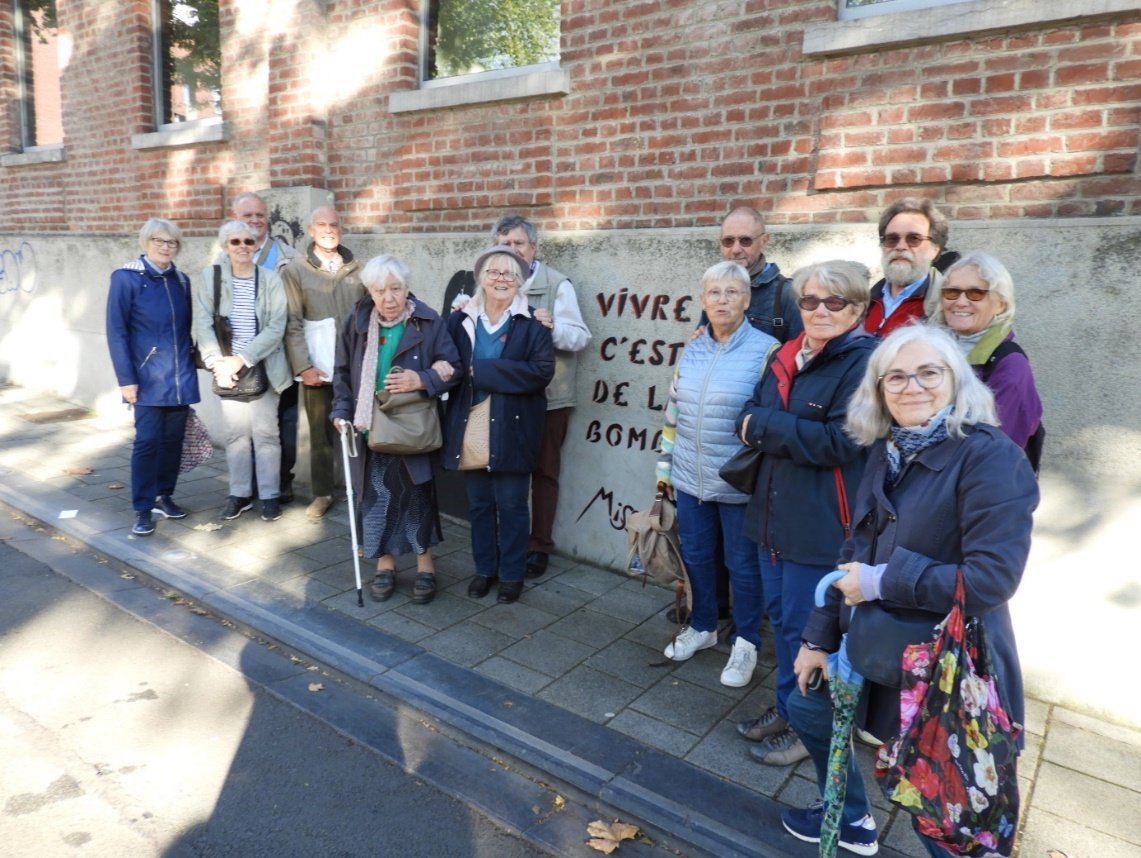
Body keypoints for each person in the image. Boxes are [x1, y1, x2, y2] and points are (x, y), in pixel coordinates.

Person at [786, 324, 1039, 856]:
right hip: (882, 648)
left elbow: (991, 579)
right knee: (805, 704)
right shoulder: (887, 450)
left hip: (951, 667)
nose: (911, 386)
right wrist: (817, 638)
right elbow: (854, 552)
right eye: (894, 376)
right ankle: (853, 820)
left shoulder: (991, 458)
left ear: (956, 380)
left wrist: (881, 581)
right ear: (878, 390)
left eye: (928, 372)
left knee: (946, 815)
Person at [734, 260, 877, 767]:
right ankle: (787, 708)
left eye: (834, 301)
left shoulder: (864, 362)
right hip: (772, 513)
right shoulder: (788, 353)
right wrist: (778, 426)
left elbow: (842, 441)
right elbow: (744, 415)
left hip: (821, 524)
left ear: (857, 308)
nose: (819, 310)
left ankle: (808, 728)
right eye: (810, 300)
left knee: (811, 631)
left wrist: (769, 426)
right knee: (783, 621)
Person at [449, 215, 592, 580]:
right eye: (504, 244)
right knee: (488, 490)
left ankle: (537, 546)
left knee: (540, 474)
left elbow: (579, 337)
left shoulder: (556, 284)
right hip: (488, 408)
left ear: (533, 248)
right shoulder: (479, 298)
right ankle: (494, 559)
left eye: (518, 245)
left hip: (546, 398)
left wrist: (548, 325)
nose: (511, 252)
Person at [655, 262, 777, 686]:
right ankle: (703, 626)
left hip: (738, 482)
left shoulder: (767, 350)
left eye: (731, 292)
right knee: (698, 557)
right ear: (703, 300)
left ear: (746, 299)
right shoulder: (692, 348)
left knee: (742, 566)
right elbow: (672, 414)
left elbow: (768, 418)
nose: (722, 300)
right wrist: (663, 471)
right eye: (714, 293)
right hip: (690, 477)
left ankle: (746, 642)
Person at [331, 255, 461, 605]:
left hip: (411, 429)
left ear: (407, 288)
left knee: (417, 499)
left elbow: (455, 368)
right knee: (377, 500)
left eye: (396, 288)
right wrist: (341, 411)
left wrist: (422, 378)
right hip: (369, 429)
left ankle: (425, 568)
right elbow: (342, 372)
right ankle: (385, 566)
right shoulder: (356, 322)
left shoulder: (428, 321)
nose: (389, 298)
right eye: (380, 290)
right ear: (369, 291)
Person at [442, 246, 555, 604]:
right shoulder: (461, 320)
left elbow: (540, 372)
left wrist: (482, 371)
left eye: (510, 274)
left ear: (520, 281)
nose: (502, 279)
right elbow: (446, 362)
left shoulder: (533, 323)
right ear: (481, 279)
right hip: (470, 422)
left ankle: (511, 574)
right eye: (494, 272)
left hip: (513, 426)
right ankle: (484, 570)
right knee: (478, 504)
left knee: (512, 504)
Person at [106, 218, 201, 537]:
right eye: (159, 241)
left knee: (173, 440)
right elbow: (116, 331)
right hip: (144, 378)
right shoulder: (126, 278)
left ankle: (164, 495)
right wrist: (125, 379)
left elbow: (186, 328)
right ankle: (143, 507)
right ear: (146, 242)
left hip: (179, 376)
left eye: (171, 243)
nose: (165, 247)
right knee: (147, 441)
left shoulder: (182, 280)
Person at [194, 221, 292, 521]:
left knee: (266, 434)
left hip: (263, 366)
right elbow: (203, 323)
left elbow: (277, 325)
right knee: (236, 435)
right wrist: (217, 364)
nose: (242, 247)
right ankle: (239, 494)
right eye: (235, 242)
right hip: (226, 370)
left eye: (248, 242)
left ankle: (270, 495)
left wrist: (243, 358)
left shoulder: (270, 279)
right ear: (225, 246)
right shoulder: (212, 277)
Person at [282, 206, 366, 519]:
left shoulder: (358, 268)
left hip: (354, 365)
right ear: (311, 229)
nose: (329, 229)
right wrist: (303, 365)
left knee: (360, 426)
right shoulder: (296, 270)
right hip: (317, 366)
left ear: (341, 229)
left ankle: (362, 487)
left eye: (334, 224)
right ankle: (322, 493)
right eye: (322, 224)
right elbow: (291, 321)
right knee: (319, 432)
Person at [931, 251, 1044, 458]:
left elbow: (995, 451)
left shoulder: (1010, 365)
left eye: (976, 293)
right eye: (952, 292)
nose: (961, 302)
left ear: (1001, 304)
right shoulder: (931, 351)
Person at [229, 192, 301, 502]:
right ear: (236, 219)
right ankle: (250, 485)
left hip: (282, 353)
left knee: (284, 422)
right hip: (241, 356)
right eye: (248, 216)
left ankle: (280, 481)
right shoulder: (225, 257)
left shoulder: (288, 256)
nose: (256, 221)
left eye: (260, 215)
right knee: (243, 425)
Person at [712, 206, 803, 342]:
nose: (736, 249)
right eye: (728, 241)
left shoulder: (786, 294)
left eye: (745, 240)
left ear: (764, 241)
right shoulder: (714, 288)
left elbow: (799, 355)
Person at [864, 199, 950, 337]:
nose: (900, 247)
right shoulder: (863, 302)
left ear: (935, 249)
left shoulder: (947, 307)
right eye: (892, 239)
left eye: (913, 239)